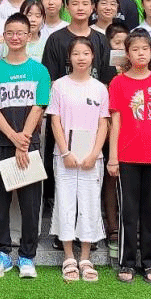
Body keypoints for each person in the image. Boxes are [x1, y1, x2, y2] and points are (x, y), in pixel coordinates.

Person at [0, 13, 53, 279]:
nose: (15, 37)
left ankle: (27, 256)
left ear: (29, 36)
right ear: (4, 35)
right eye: (10, 32)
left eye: (20, 32)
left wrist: (23, 141)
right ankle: (0, 254)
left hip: (29, 144)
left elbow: (39, 106)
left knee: (30, 202)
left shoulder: (39, 71)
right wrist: (14, 137)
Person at [107, 30, 151, 284]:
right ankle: (127, 262)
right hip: (126, 156)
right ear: (127, 53)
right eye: (135, 49)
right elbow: (115, 122)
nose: (140, 53)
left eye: (145, 49)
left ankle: (150, 262)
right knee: (128, 211)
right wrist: (113, 157)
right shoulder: (118, 83)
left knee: (150, 211)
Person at [46, 36, 109, 283]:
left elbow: (103, 123)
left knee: (90, 203)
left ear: (93, 56)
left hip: (92, 157)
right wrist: (65, 152)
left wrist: (94, 153)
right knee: (65, 202)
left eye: (85, 53)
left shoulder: (100, 88)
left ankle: (85, 257)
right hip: (65, 156)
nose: (81, 58)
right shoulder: (60, 86)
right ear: (69, 58)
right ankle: (68, 256)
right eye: (76, 54)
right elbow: (55, 121)